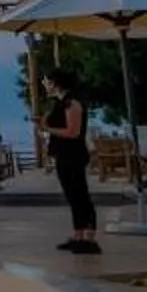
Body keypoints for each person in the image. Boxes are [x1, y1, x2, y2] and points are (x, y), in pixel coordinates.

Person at [43, 69, 100, 255]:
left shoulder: (72, 103)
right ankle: (78, 234)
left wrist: (48, 129)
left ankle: (89, 237)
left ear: (56, 83)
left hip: (73, 155)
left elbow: (73, 132)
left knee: (80, 194)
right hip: (63, 155)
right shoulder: (59, 103)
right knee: (72, 196)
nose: (44, 84)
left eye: (47, 81)